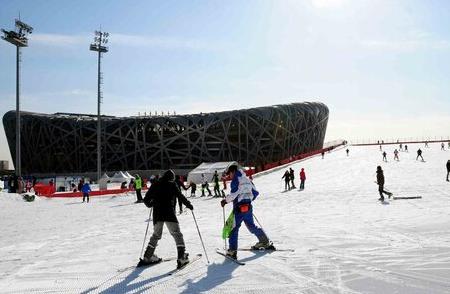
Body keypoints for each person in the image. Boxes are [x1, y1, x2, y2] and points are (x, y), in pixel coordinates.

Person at [142, 170, 193, 268]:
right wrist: (189, 205)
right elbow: (180, 196)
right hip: (169, 213)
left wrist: (151, 204)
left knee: (156, 235)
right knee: (177, 234)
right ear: (171, 178)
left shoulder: (155, 184)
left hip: (157, 214)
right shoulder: (172, 184)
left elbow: (146, 200)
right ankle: (182, 257)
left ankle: (148, 256)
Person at [220, 164, 272, 259]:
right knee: (251, 226)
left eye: (229, 174)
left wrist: (225, 201)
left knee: (233, 228)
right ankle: (264, 241)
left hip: (239, 208)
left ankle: (232, 251)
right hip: (248, 207)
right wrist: (248, 199)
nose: (229, 176)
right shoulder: (248, 180)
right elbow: (255, 193)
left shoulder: (236, 180)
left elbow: (234, 194)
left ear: (232, 172)